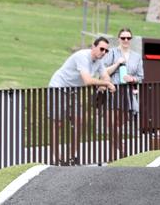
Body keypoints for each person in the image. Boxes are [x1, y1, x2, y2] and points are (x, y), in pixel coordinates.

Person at [47, 36, 115, 164]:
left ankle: (71, 156)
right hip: (58, 88)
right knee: (58, 124)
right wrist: (105, 84)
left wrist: (104, 84)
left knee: (79, 121)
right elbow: (88, 80)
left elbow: (106, 76)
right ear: (93, 47)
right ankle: (57, 158)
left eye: (107, 51)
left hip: (73, 91)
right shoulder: (82, 57)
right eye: (102, 49)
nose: (104, 53)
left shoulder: (99, 61)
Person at [104, 28, 144, 113]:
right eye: (123, 38)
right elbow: (103, 72)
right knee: (112, 120)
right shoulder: (112, 52)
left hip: (129, 94)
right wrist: (117, 63)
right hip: (113, 92)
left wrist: (132, 79)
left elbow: (140, 77)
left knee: (126, 121)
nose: (126, 40)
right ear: (118, 39)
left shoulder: (137, 56)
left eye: (128, 38)